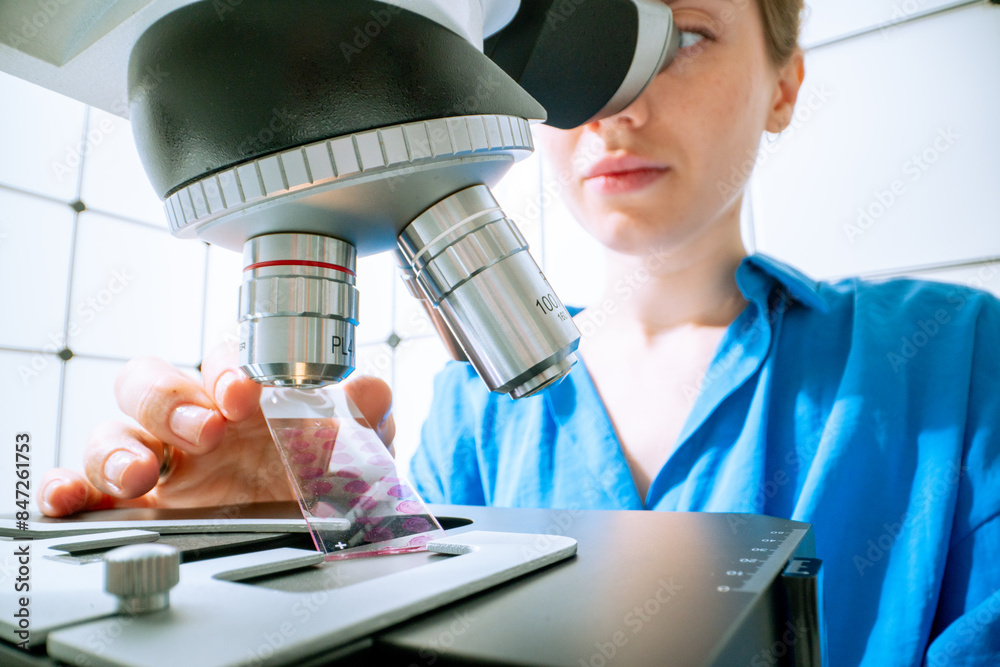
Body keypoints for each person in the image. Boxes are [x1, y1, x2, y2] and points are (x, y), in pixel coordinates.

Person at [38, 0, 1000, 664]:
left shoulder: (956, 359)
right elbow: (425, 620)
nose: (615, 103)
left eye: (684, 36)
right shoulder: (468, 411)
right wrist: (305, 537)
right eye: (558, 51)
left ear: (786, 84)